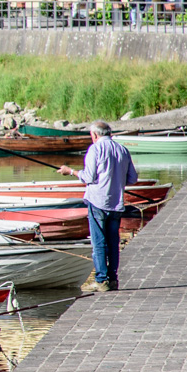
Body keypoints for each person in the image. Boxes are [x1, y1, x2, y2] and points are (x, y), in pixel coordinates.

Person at [56, 122, 138, 291]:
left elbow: (89, 177)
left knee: (99, 242)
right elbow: (132, 179)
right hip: (116, 203)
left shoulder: (95, 149)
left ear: (94, 135)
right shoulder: (122, 150)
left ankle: (102, 281)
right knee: (113, 243)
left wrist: (70, 171)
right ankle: (113, 279)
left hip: (97, 202)